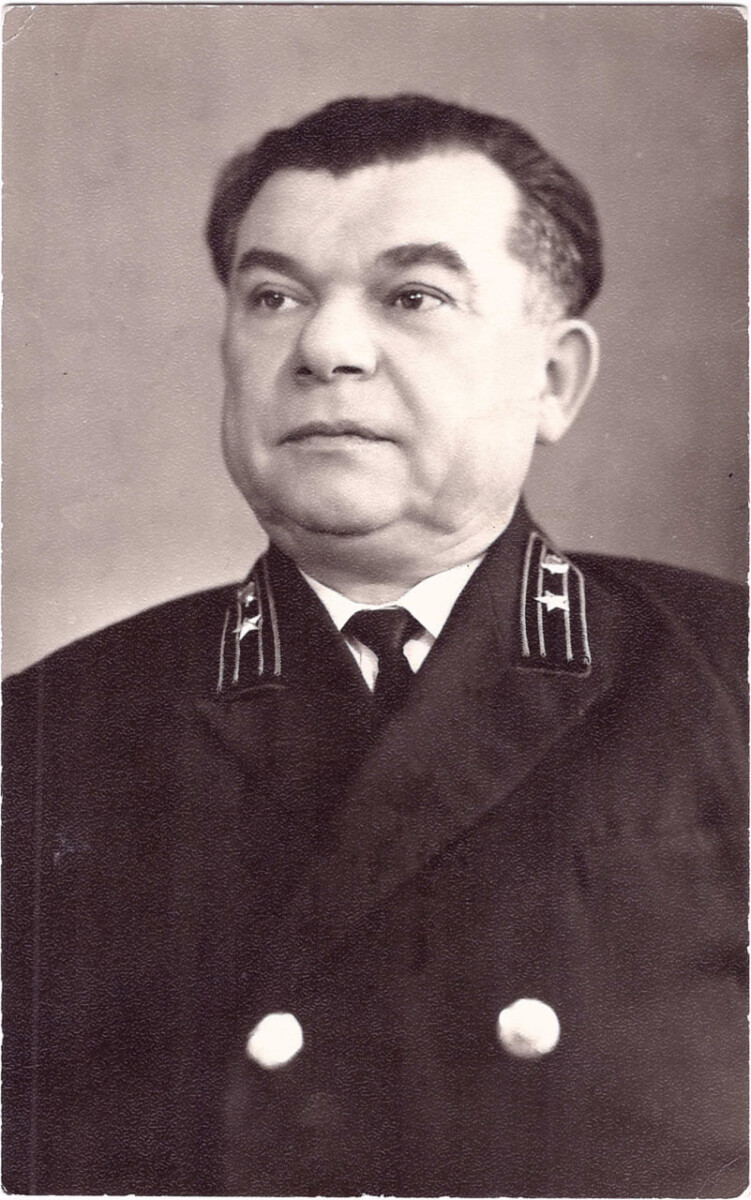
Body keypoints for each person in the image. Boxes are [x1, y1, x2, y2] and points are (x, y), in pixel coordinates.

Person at [2, 93, 747, 1197]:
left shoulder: (725, 678)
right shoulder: (47, 732)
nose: (323, 347)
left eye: (413, 296)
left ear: (552, 380)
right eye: (273, 296)